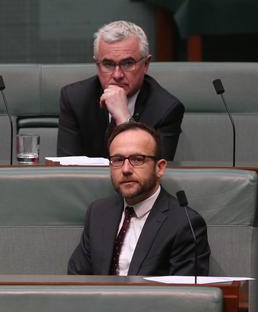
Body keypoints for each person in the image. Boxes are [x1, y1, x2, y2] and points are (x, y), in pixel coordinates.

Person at [67, 122, 210, 276]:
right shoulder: (98, 212)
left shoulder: (184, 224)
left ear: (159, 168)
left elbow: (186, 296)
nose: (126, 169)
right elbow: (77, 277)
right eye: (118, 160)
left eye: (137, 159)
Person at [56, 20, 183, 160]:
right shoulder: (75, 99)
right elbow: (66, 167)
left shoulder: (166, 109)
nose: (117, 75)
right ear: (97, 66)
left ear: (146, 64)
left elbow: (153, 172)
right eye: (108, 64)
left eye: (128, 63)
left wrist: (124, 119)